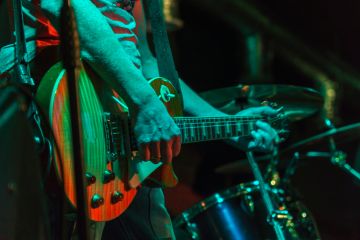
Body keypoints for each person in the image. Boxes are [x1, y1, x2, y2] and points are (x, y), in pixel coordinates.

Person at [0, 0, 279, 239]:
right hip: (61, 107)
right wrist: (144, 102)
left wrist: (226, 123)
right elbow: (63, 5)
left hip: (125, 130)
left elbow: (144, 60)